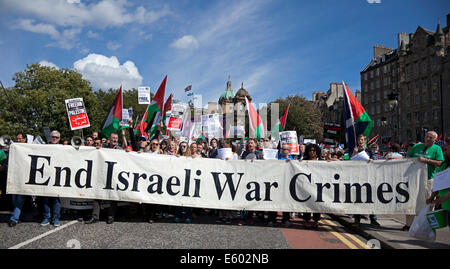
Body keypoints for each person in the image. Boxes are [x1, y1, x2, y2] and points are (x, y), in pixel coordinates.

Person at [403, 131, 444, 231]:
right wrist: (393, 158)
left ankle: (428, 226)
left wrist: (426, 160)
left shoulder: (437, 149)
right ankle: (408, 225)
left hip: (428, 180)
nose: (427, 138)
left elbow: (440, 162)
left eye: (430, 137)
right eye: (426, 136)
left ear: (435, 140)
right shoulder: (417, 146)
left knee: (428, 203)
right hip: (414, 179)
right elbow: (407, 158)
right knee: (411, 201)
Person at [85, 133, 121, 225]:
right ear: (109, 138)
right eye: (113, 137)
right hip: (102, 174)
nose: (115, 139)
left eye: (116, 138)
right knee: (97, 195)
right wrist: (96, 150)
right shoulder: (103, 148)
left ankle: (111, 216)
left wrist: (128, 151)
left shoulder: (120, 150)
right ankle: (95, 216)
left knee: (113, 196)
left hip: (114, 176)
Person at [350, 134, 381, 226]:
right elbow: (349, 162)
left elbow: (374, 158)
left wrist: (372, 159)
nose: (360, 141)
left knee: (371, 198)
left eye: (362, 140)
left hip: (368, 177)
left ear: (365, 141)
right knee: (357, 198)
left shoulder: (369, 150)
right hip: (358, 177)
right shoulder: (354, 150)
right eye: (359, 140)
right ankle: (357, 219)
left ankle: (373, 219)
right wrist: (354, 153)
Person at [267, 144, 294, 227]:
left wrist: (291, 162)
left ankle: (285, 219)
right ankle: (272, 219)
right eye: (282, 149)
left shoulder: (292, 159)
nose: (283, 150)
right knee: (273, 200)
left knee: (286, 201)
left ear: (289, 151)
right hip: (275, 182)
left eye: (285, 149)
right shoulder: (276, 157)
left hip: (286, 183)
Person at [238, 138, 264, 226]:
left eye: (252, 143)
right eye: (249, 143)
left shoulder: (259, 154)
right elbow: (240, 164)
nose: (250, 144)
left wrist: (258, 162)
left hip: (256, 178)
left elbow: (265, 165)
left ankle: (250, 217)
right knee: (244, 199)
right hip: (246, 178)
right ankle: (242, 218)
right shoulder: (245, 153)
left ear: (256, 145)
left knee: (252, 198)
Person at [40, 131, 62, 227]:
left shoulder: (62, 148)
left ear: (59, 139)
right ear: (50, 137)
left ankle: (56, 218)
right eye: (53, 137)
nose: (54, 138)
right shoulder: (44, 147)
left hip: (57, 176)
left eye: (56, 137)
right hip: (45, 176)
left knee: (55, 199)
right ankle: (46, 217)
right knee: (45, 198)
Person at [427, 137, 450, 226]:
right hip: (446, 205)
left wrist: (444, 198)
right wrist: (431, 197)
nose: (445, 145)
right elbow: (438, 184)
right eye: (445, 143)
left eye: (448, 143)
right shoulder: (443, 165)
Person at [8, 132, 30, 227]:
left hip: (24, 179)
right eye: (17, 138)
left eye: (20, 138)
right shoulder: (14, 148)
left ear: (25, 139)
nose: (18, 140)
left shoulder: (29, 149)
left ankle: (14, 219)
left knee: (19, 200)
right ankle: (21, 216)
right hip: (15, 178)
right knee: (14, 200)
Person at [301, 143, 322, 228]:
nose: (312, 152)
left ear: (317, 152)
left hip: (317, 185)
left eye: (314, 150)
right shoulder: (304, 161)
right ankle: (306, 220)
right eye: (310, 150)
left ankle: (316, 220)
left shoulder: (321, 162)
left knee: (317, 204)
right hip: (307, 185)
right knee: (307, 203)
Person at [174, 141, 193, 223]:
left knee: (187, 200)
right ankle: (178, 215)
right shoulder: (177, 156)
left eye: (184, 146)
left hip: (188, 180)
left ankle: (188, 216)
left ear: (187, 147)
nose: (182, 148)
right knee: (178, 199)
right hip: (179, 180)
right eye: (181, 146)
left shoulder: (191, 157)